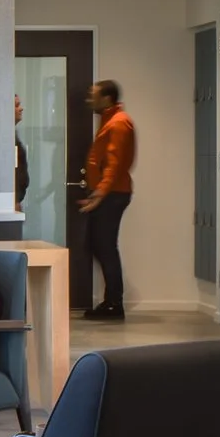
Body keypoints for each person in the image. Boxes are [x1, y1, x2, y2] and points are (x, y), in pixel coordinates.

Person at [81, 79, 135, 320]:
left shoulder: (119, 124)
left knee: (105, 247)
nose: (88, 100)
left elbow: (114, 165)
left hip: (112, 195)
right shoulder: (109, 121)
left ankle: (114, 304)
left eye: (93, 96)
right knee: (99, 246)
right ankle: (111, 301)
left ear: (106, 98)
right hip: (107, 193)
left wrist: (99, 194)